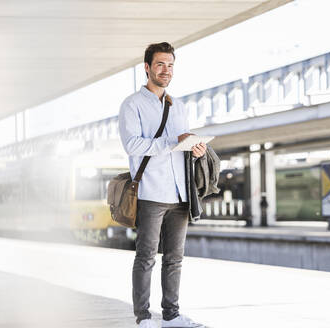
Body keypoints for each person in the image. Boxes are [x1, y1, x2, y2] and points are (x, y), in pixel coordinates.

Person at [118, 42, 206, 328]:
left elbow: (179, 146)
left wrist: (194, 149)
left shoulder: (178, 106)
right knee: (145, 257)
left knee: (175, 259)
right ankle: (143, 317)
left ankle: (172, 315)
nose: (166, 70)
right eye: (160, 64)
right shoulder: (132, 104)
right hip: (151, 193)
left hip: (180, 194)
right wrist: (172, 142)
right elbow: (132, 145)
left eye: (170, 65)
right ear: (147, 67)